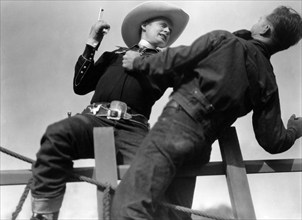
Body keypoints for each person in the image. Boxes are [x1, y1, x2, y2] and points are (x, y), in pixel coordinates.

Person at [111, 6, 302, 219]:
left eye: (260, 19)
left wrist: (138, 61)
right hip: (201, 147)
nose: (256, 22)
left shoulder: (224, 40)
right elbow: (272, 140)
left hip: (177, 126)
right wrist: (295, 129)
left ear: (265, 28)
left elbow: (177, 58)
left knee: (129, 206)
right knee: (176, 213)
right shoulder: (268, 82)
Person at [30, 2, 190, 220]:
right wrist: (92, 44)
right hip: (94, 119)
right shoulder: (111, 56)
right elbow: (80, 86)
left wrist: (140, 66)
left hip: (135, 130)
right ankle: (44, 215)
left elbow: (157, 90)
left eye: (170, 29)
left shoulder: (165, 63)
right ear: (144, 25)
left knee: (161, 175)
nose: (168, 31)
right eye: (163, 25)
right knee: (57, 134)